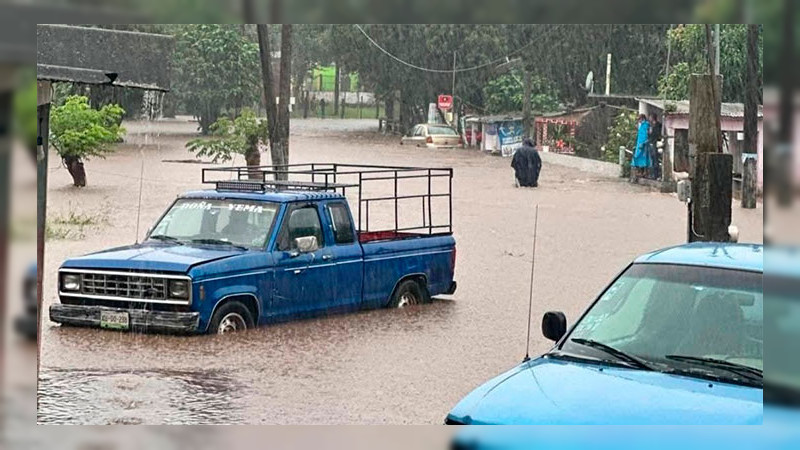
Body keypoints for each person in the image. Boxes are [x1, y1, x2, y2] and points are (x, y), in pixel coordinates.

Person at [631, 114, 650, 181]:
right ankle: (640, 172)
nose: (638, 121)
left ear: (642, 119)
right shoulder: (641, 125)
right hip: (639, 144)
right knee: (637, 157)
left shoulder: (646, 125)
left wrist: (644, 143)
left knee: (644, 158)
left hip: (643, 144)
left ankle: (645, 172)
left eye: (639, 119)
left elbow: (646, 135)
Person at [648, 113, 662, 179]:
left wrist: (651, 133)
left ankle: (656, 175)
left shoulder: (658, 125)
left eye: (650, 117)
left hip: (655, 143)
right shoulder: (652, 125)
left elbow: (657, 134)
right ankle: (653, 174)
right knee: (653, 159)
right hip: (652, 143)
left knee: (655, 159)